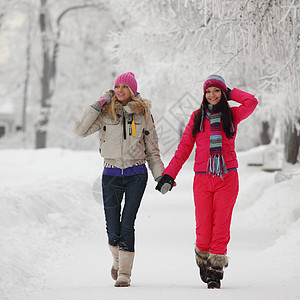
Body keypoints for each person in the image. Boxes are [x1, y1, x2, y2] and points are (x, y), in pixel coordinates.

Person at [156, 75, 258, 289]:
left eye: (217, 91)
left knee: (221, 226)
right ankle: (204, 259)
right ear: (203, 95)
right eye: (208, 91)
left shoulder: (232, 115)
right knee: (203, 230)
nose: (212, 95)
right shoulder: (196, 118)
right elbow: (184, 149)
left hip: (227, 178)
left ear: (223, 94)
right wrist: (169, 175)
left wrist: (231, 92)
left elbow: (251, 102)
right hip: (202, 179)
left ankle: (216, 270)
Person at [73, 72, 164, 287]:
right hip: (111, 175)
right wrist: (96, 105)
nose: (120, 90)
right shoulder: (106, 112)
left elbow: (152, 149)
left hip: (136, 175)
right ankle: (117, 259)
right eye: (117, 86)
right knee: (112, 228)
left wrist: (160, 176)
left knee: (127, 224)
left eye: (125, 86)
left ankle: (125, 273)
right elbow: (79, 130)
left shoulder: (143, 113)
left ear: (132, 90)